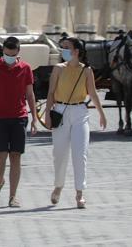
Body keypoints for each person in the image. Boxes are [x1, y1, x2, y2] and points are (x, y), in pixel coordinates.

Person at [44, 36, 107, 209]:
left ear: (76, 51)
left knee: (80, 154)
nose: (63, 50)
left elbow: (93, 94)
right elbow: (50, 93)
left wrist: (101, 114)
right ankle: (58, 186)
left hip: (80, 112)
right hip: (60, 111)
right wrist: (48, 115)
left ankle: (80, 193)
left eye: (67, 47)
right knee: (59, 153)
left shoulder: (86, 70)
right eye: (62, 47)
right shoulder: (58, 69)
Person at [0, 36, 38, 208]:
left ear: (18, 52)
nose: (9, 58)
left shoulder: (26, 68)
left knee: (15, 157)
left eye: (12, 55)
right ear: (3, 51)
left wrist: (34, 118)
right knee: (0, 156)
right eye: (6, 54)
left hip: (19, 117)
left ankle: (13, 196)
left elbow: (30, 94)